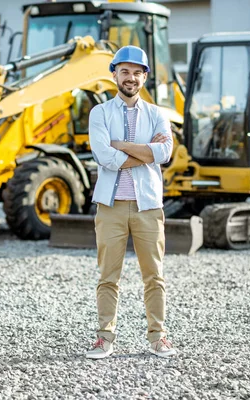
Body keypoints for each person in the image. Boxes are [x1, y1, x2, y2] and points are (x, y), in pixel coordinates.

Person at [85, 45, 176, 360]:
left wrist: (122, 145)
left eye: (138, 72)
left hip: (148, 206)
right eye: (125, 71)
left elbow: (165, 153)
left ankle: (158, 337)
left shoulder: (156, 114)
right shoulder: (100, 113)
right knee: (108, 276)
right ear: (114, 74)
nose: (131, 77)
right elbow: (105, 158)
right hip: (111, 207)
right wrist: (146, 151)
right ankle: (104, 338)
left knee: (154, 275)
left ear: (145, 77)